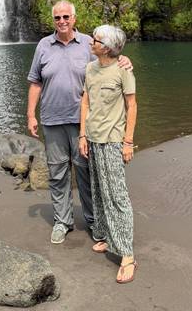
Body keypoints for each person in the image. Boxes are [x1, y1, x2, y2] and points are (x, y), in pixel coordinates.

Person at [27, 0, 131, 244]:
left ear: (74, 18)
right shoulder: (43, 45)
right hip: (52, 120)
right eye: (57, 18)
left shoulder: (88, 43)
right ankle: (62, 221)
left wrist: (125, 60)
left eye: (66, 17)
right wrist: (31, 115)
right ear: (52, 20)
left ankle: (94, 220)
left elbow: (111, 57)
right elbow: (35, 82)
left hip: (84, 122)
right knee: (57, 172)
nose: (62, 21)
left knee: (86, 172)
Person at [79, 24, 138, 284]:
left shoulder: (123, 70)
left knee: (117, 195)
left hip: (113, 141)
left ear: (107, 47)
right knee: (99, 190)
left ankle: (127, 254)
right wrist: (82, 135)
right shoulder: (90, 69)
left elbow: (132, 106)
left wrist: (128, 142)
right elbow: (86, 102)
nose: (92, 41)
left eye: (96, 39)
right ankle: (105, 236)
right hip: (92, 138)